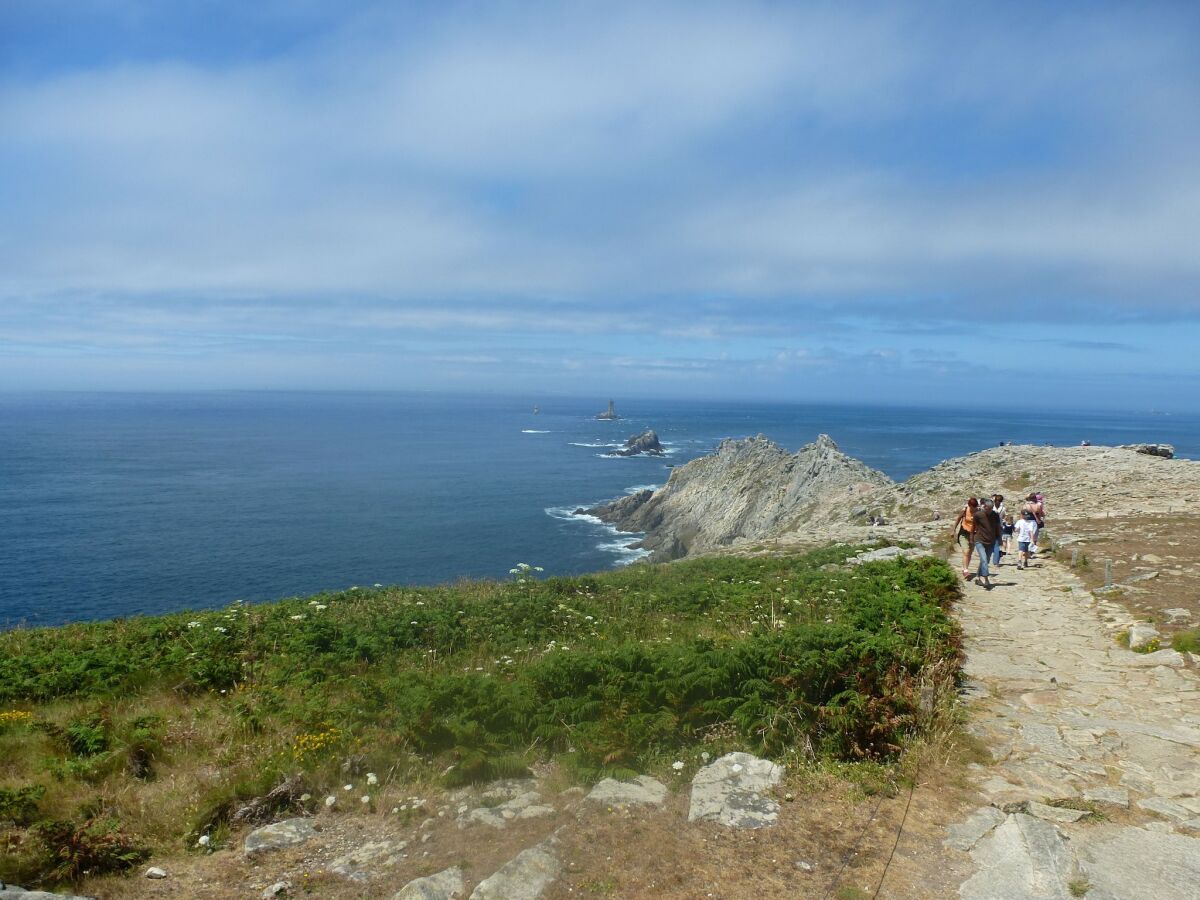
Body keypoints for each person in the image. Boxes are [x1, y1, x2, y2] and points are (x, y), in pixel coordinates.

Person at [972, 498, 1002, 589]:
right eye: (987, 508)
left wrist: (999, 538)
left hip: (991, 541)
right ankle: (986, 579)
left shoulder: (995, 515)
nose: (988, 510)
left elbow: (997, 527)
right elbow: (974, 526)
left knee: (986, 560)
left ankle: (978, 577)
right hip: (979, 540)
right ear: (984, 506)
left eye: (990, 509)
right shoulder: (978, 515)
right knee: (984, 559)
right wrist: (971, 537)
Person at [952, 498, 979, 577]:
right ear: (969, 505)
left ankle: (966, 567)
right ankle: (965, 570)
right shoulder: (965, 510)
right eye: (972, 507)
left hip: (973, 534)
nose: (973, 509)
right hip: (964, 533)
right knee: (966, 551)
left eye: (975, 507)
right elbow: (958, 519)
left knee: (970, 552)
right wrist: (953, 530)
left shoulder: (978, 512)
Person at [991, 494, 1007, 566]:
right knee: (996, 544)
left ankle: (996, 558)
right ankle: (996, 560)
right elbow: (1004, 517)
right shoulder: (1003, 508)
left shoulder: (991, 507)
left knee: (992, 544)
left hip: (990, 527)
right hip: (999, 527)